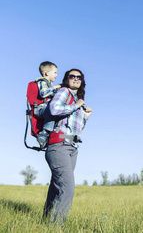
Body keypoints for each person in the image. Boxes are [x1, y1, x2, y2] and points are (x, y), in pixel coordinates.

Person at [43, 68, 92, 223]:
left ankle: (45, 224)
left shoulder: (75, 99)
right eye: (72, 76)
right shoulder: (64, 92)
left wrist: (85, 117)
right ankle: (55, 227)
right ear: (66, 79)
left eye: (79, 77)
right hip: (59, 144)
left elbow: (75, 128)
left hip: (71, 146)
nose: (76, 79)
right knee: (67, 188)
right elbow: (54, 109)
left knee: (57, 188)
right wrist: (76, 105)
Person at [34, 61, 61, 148]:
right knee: (53, 109)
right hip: (40, 109)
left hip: (45, 108)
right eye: (55, 72)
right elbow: (43, 93)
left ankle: (51, 134)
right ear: (47, 73)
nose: (56, 75)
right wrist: (55, 87)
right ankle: (44, 133)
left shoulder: (48, 83)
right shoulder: (43, 81)